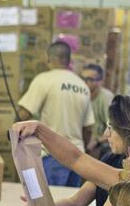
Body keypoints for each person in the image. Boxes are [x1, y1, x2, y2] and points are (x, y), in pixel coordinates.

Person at [19, 96, 130, 206]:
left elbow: (77, 159)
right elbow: (75, 201)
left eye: (111, 127)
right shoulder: (115, 163)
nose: (106, 134)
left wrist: (41, 131)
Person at [17, 41, 94, 187]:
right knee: (72, 205)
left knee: (51, 205)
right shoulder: (82, 86)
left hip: (53, 155)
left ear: (48, 58)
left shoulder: (44, 80)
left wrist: (13, 131)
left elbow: (24, 114)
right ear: (69, 60)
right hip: (78, 157)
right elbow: (88, 128)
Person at [81, 63, 114, 157]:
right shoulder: (81, 95)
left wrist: (97, 141)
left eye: (90, 79)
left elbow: (114, 129)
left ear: (100, 81)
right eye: (83, 78)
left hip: (101, 145)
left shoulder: (106, 98)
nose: (85, 82)